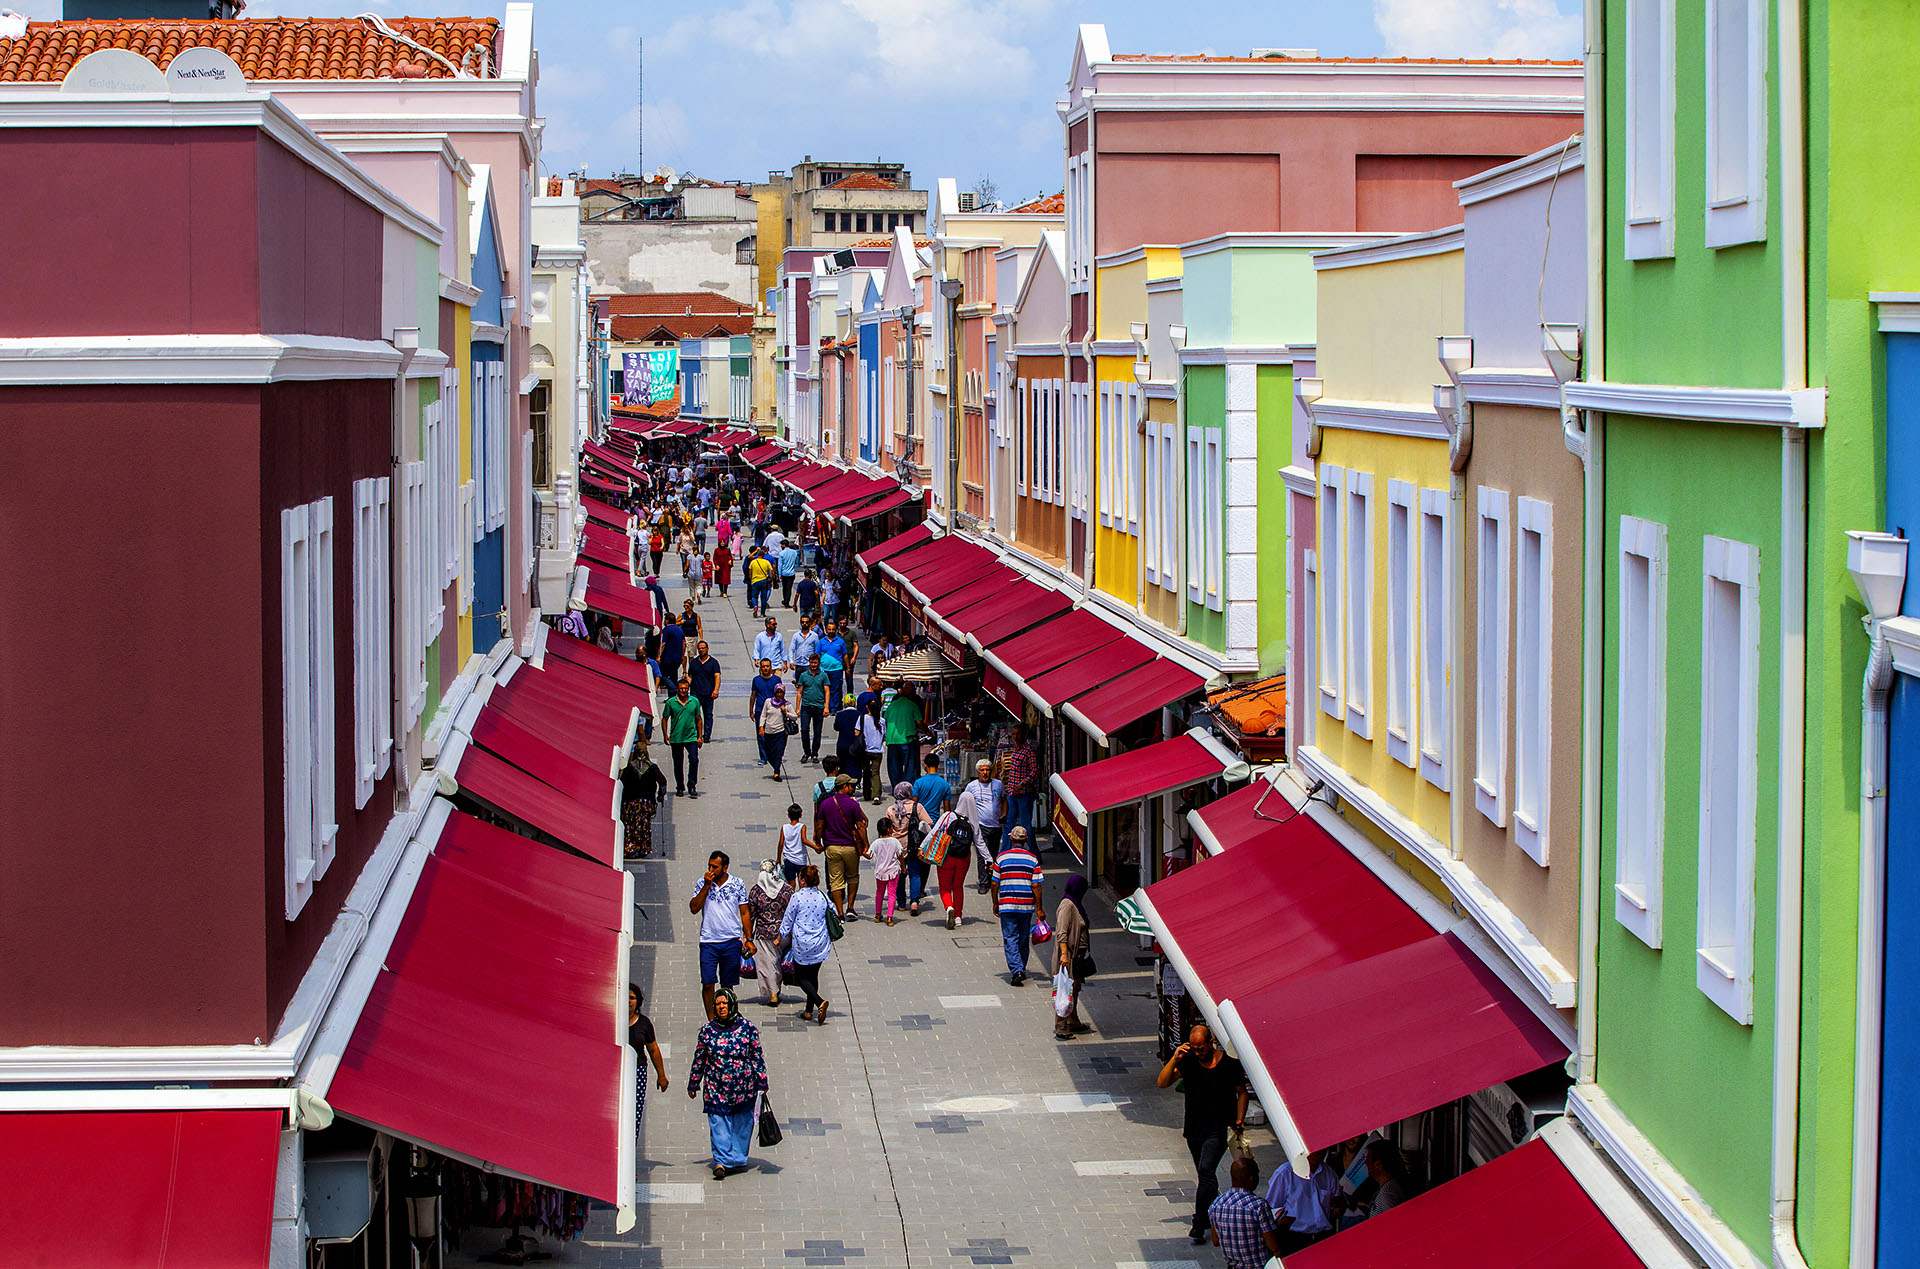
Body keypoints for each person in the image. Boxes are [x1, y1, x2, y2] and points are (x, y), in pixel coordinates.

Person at [1156, 1024, 1250, 1245]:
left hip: (1218, 1130)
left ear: (1211, 1042)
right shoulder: (1188, 1062)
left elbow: (1242, 1092)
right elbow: (1162, 1083)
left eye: (1201, 1048)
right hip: (1194, 1130)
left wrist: (1239, 1120)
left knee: (1206, 1170)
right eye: (1194, 1048)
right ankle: (1216, 1213)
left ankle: (1199, 1223)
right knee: (1205, 1176)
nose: (1198, 1052)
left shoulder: (1228, 1065)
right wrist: (1175, 1058)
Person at [686, 987, 768, 1180]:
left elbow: (757, 1056)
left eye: (725, 1004)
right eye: (718, 1004)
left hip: (744, 1088)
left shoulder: (748, 1028)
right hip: (716, 1088)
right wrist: (693, 1083)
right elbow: (699, 1058)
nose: (722, 1007)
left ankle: (737, 1158)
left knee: (742, 1123)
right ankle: (722, 1160)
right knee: (718, 1123)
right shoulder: (707, 1031)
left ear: (732, 1004)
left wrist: (762, 1081)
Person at [690, 851, 754, 1020]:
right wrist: (706, 886)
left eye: (715, 867)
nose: (711, 869)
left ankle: (728, 1017)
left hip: (731, 941)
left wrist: (749, 939)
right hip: (709, 941)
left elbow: (745, 912)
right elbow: (694, 908)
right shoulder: (702, 883)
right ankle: (711, 1021)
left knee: (727, 984)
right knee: (708, 982)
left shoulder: (738, 884)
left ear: (725, 868)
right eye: (709, 866)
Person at [777, 863, 834, 1023]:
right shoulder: (823, 896)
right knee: (813, 975)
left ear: (802, 880)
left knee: (802, 977)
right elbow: (834, 912)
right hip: (820, 942)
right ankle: (808, 1011)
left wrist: (779, 936)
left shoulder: (797, 897)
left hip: (802, 944)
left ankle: (819, 1002)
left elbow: (788, 920)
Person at [989, 825, 1043, 986]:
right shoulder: (1033, 859)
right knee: (1023, 938)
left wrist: (995, 903)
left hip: (1007, 905)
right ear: (1026, 840)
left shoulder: (1001, 858)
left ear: (1011, 839)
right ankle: (1021, 968)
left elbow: (994, 883)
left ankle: (1017, 969)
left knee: (1010, 937)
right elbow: (1037, 886)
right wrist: (1039, 908)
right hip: (1026, 906)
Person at [814, 773, 869, 919]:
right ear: (844, 787)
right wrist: (865, 844)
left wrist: (818, 842)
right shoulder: (853, 804)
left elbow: (819, 825)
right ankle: (850, 907)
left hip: (832, 847)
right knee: (852, 876)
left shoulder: (826, 803)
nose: (853, 788)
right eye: (851, 785)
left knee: (835, 880)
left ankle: (839, 912)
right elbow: (860, 826)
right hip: (850, 847)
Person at [1209, 1158, 1280, 1269]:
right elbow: (1274, 1246)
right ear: (1252, 1178)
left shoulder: (1216, 1204)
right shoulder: (1258, 1206)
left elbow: (1216, 1240)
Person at [1266, 1147, 1339, 1253]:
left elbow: (1335, 1208)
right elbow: (1271, 1209)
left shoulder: (1329, 1174)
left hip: (1323, 1238)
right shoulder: (1285, 1173)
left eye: (1322, 1150)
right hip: (1294, 1239)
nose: (1318, 1153)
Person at [1050, 874, 1094, 1039]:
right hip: (1067, 957)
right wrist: (1065, 954)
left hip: (1076, 957)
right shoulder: (1067, 905)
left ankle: (1073, 1020)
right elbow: (1061, 932)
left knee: (1074, 988)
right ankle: (1061, 1027)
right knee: (1064, 991)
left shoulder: (1075, 903)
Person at [747, 861, 794, 1006]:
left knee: (768, 964)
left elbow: (751, 915)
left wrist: (748, 936)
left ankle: (773, 993)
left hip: (764, 935)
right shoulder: (786, 889)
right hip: (784, 934)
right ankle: (777, 988)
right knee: (777, 961)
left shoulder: (756, 891)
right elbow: (792, 910)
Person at [629, 985, 669, 1139]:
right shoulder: (614, 1020)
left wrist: (661, 1075)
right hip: (617, 1070)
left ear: (638, 1002)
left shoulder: (644, 1024)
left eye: (632, 998)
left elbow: (653, 1050)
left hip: (638, 1070)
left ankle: (632, 1143)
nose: (628, 1002)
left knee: (636, 1110)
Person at [963, 759, 1007, 894]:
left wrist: (1004, 814)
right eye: (982, 770)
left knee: (993, 854)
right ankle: (983, 883)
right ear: (978, 772)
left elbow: (1004, 801)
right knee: (982, 855)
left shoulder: (998, 784)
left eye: (987, 770)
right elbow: (965, 803)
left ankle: (992, 880)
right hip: (980, 826)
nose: (985, 773)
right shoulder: (971, 786)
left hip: (996, 825)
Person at [620, 745, 666, 859]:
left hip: (631, 803)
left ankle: (631, 848)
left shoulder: (629, 767)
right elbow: (663, 781)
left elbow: (621, 783)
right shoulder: (652, 767)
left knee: (630, 826)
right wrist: (661, 795)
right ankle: (643, 848)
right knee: (644, 826)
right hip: (646, 803)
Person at [661, 678, 704, 797]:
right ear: (677, 689)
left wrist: (700, 736)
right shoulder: (671, 702)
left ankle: (692, 785)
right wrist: (665, 735)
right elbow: (664, 718)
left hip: (691, 737)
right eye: (681, 689)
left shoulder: (694, 701)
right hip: (676, 738)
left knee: (694, 759)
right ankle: (680, 786)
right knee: (678, 763)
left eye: (685, 688)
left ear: (688, 689)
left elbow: (698, 719)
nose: (683, 691)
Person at [1002, 723, 1040, 840]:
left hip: (1024, 794)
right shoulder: (1014, 750)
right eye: (1013, 734)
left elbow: (1035, 771)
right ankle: (1005, 852)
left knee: (1025, 826)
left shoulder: (1028, 751)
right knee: (1008, 824)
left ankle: (1033, 853)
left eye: (1018, 734)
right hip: (1012, 793)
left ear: (1023, 735)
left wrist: (1022, 784)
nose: (1015, 737)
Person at [883, 681, 923, 788]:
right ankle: (908, 787)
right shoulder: (913, 705)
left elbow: (885, 720)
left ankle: (897, 788)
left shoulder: (892, 705)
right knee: (910, 766)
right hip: (907, 740)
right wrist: (927, 731)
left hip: (892, 740)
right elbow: (919, 722)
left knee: (894, 766)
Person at [795, 654, 831, 764]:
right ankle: (807, 752)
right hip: (806, 706)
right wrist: (797, 708)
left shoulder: (823, 676)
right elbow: (799, 692)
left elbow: (827, 692)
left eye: (815, 663)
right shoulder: (803, 675)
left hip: (819, 707)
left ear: (819, 663)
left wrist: (826, 707)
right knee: (804, 730)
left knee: (817, 731)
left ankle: (815, 753)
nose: (813, 665)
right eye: (811, 662)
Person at [869, 816, 904, 925]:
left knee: (879, 892)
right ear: (889, 829)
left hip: (880, 872)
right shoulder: (895, 842)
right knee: (892, 894)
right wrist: (903, 866)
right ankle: (889, 917)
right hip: (893, 871)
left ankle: (878, 914)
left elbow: (869, 855)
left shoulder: (876, 843)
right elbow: (900, 855)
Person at [748, 658, 783, 765]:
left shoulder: (776, 680)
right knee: (761, 734)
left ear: (771, 667)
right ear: (760, 668)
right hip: (759, 710)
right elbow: (753, 695)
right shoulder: (756, 680)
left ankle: (773, 754)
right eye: (763, 666)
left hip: (774, 711)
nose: (765, 668)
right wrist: (751, 710)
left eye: (767, 666)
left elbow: (781, 695)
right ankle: (763, 756)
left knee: (773, 734)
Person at [687, 640, 722, 742]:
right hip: (695, 694)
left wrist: (716, 690)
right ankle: (697, 734)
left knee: (708, 715)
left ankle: (706, 735)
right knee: (695, 715)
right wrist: (685, 687)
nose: (701, 650)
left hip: (708, 694)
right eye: (699, 648)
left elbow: (717, 676)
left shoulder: (713, 662)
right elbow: (690, 676)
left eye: (703, 648)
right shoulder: (694, 663)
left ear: (707, 649)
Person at [758, 685, 796, 777]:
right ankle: (775, 766)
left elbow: (795, 717)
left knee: (779, 752)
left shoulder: (787, 704)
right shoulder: (768, 702)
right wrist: (761, 726)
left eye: (781, 692)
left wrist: (785, 713)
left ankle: (776, 772)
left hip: (781, 732)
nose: (779, 694)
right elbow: (763, 715)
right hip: (769, 731)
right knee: (769, 753)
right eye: (778, 692)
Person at [817, 619, 855, 705]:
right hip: (824, 669)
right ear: (826, 630)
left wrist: (848, 668)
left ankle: (834, 707)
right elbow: (817, 655)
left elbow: (845, 655)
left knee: (836, 689)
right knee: (825, 688)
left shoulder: (840, 641)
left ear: (836, 630)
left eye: (833, 629)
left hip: (837, 669)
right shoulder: (821, 641)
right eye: (829, 629)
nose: (831, 631)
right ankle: (827, 705)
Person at [777, 802, 814, 884]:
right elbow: (804, 840)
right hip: (800, 859)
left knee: (791, 883)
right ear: (800, 815)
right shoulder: (802, 826)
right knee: (802, 882)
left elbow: (780, 844)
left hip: (788, 859)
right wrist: (815, 847)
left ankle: (791, 896)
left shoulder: (784, 828)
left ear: (788, 815)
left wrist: (778, 858)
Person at [860, 695, 886, 802]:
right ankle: (876, 795)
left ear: (868, 708)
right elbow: (884, 734)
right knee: (875, 772)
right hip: (878, 750)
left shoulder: (863, 718)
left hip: (866, 750)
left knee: (866, 771)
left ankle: (866, 794)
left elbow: (857, 732)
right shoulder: (882, 721)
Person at [833, 692, 863, 783]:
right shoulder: (859, 715)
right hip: (855, 744)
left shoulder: (840, 714)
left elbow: (836, 727)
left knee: (842, 764)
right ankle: (856, 782)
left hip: (842, 744)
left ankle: (843, 781)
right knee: (855, 764)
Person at [657, 615, 685, 687]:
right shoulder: (680, 630)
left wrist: (659, 655)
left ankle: (673, 688)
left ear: (667, 620)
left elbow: (663, 644)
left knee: (664, 676)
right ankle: (672, 694)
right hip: (677, 658)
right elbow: (684, 644)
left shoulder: (666, 630)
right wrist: (682, 655)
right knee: (674, 675)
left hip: (667, 658)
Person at [746, 548, 774, 615]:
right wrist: (771, 580)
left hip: (755, 581)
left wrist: (751, 579)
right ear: (763, 555)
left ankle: (755, 605)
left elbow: (750, 572)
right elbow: (771, 572)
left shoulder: (753, 562)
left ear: (757, 555)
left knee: (754, 596)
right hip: (764, 581)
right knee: (763, 598)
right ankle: (762, 613)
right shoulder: (766, 562)